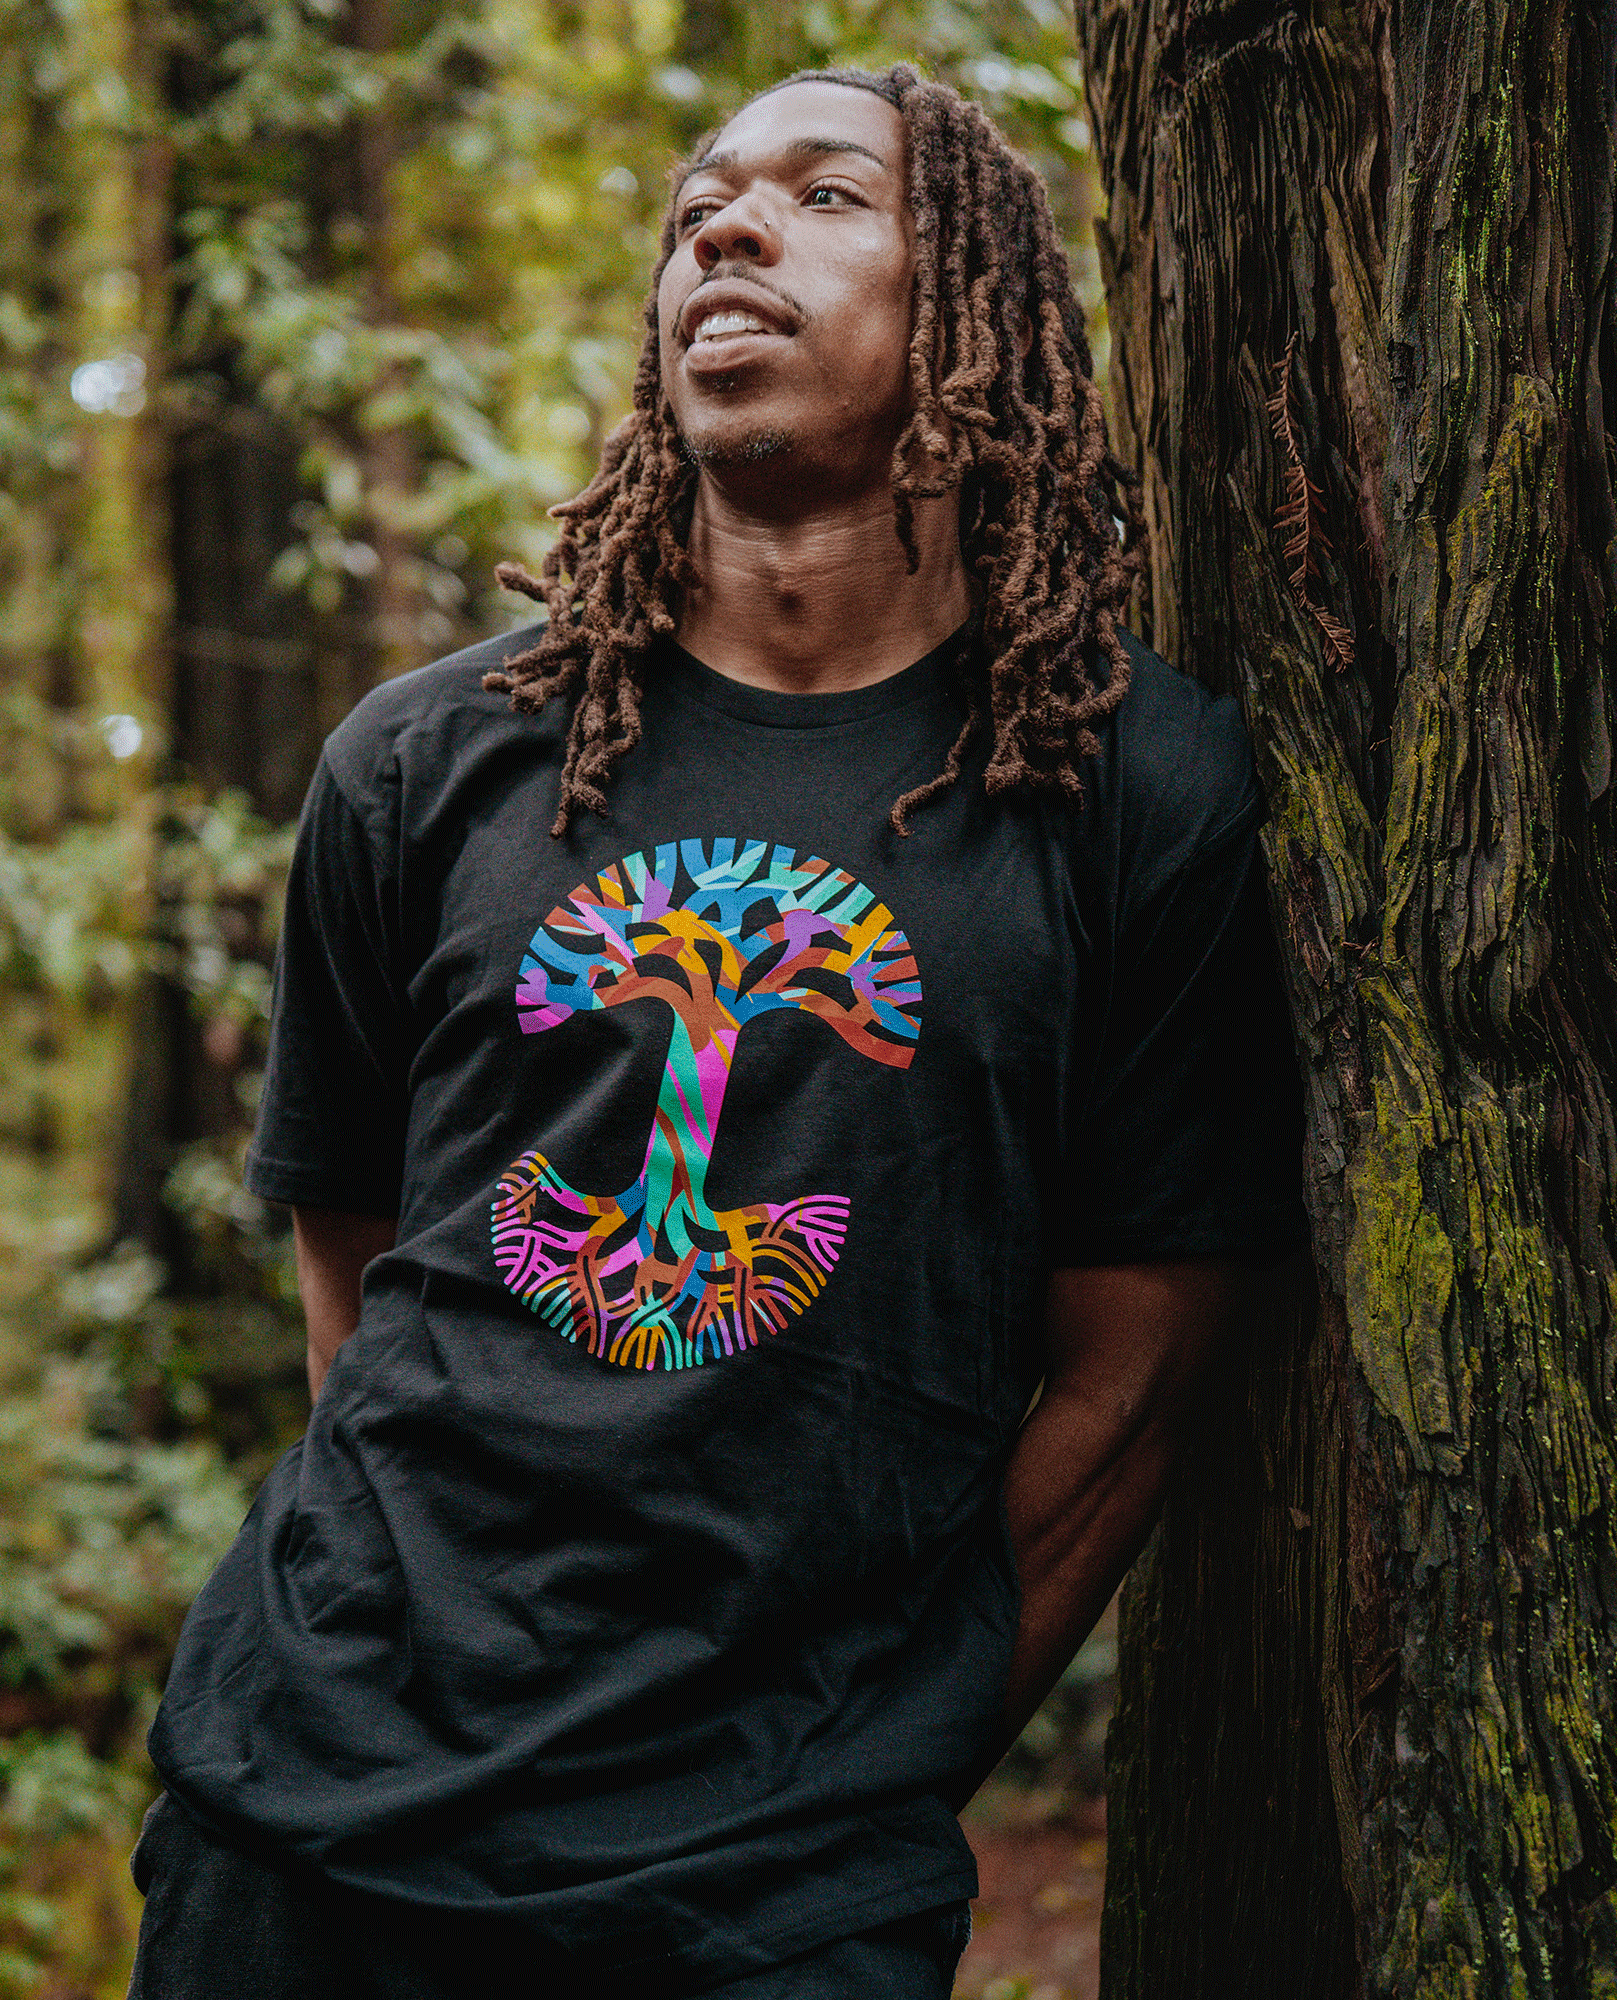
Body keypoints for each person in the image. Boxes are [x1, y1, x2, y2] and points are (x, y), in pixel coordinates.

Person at [128, 61, 1305, 2000]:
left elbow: (1130, 1385)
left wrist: (861, 1757)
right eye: (700, 207)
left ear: (980, 316)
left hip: (771, 1889)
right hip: (313, 1814)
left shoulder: (1132, 789)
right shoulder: (428, 764)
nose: (727, 230)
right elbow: (352, 1264)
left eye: (826, 195)